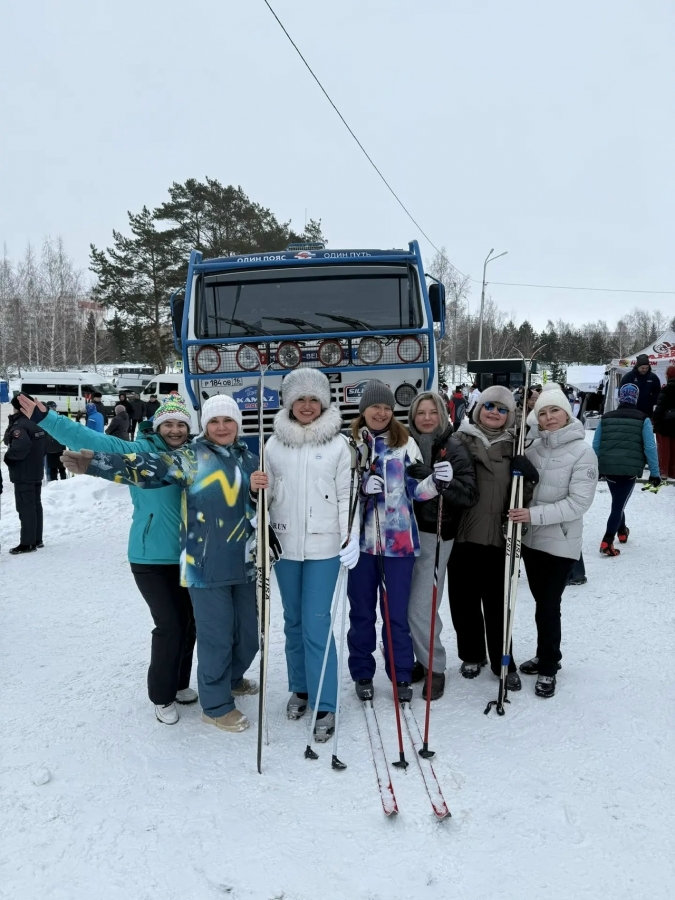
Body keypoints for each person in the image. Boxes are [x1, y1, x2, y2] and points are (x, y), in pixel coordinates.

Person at [59, 394, 267, 735]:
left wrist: (258, 493)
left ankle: (231, 678)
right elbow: (148, 469)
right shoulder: (191, 456)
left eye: (228, 420)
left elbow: (256, 507)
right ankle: (215, 706)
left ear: (237, 425)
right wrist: (95, 463)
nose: (221, 427)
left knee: (247, 636)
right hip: (205, 563)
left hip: (243, 559)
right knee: (215, 637)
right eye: (214, 421)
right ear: (205, 427)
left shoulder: (249, 458)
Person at [19, 392, 197, 726]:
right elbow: (92, 440)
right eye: (168, 424)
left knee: (190, 624)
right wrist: (48, 419)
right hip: (150, 557)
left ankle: (179, 683)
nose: (175, 430)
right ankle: (162, 695)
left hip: (189, 556)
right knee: (170, 625)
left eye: (180, 425)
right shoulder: (139, 451)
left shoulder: (194, 456)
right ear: (158, 427)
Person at [265, 369, 359, 741]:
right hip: (285, 546)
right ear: (289, 403)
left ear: (323, 403)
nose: (307, 406)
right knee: (293, 621)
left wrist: (349, 536)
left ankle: (325, 702)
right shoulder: (273, 445)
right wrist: (261, 513)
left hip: (324, 547)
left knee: (316, 622)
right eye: (300, 399)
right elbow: (267, 495)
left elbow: (346, 495)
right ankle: (301, 687)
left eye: (313, 399)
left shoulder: (339, 446)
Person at [347, 380, 438, 702]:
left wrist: (436, 483)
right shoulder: (350, 444)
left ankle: (401, 674)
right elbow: (339, 490)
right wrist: (361, 487)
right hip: (361, 545)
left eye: (387, 407)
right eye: (376, 406)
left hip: (399, 544)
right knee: (361, 613)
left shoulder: (405, 443)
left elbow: (416, 490)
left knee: (396, 614)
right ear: (364, 410)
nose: (382, 412)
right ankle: (362, 672)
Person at [510, 383, 598, 698]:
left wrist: (532, 515)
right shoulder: (532, 448)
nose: (549, 417)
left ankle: (549, 666)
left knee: (549, 605)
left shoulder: (583, 452)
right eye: (543, 412)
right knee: (541, 604)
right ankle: (544, 653)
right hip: (532, 541)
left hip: (560, 542)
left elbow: (579, 503)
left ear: (567, 412)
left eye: (555, 410)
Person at [449, 386, 535, 689]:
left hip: (500, 536)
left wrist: (528, 477)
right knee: (464, 601)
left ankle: (503, 660)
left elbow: (522, 496)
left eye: (501, 409)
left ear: (509, 415)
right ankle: (472, 654)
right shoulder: (459, 440)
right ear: (478, 408)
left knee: (499, 603)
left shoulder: (517, 445)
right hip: (463, 534)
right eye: (489, 406)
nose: (494, 412)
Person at [406, 392, 478, 700]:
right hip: (404, 534)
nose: (426, 418)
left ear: (442, 414)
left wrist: (439, 481)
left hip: (435, 533)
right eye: (420, 412)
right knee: (407, 604)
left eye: (432, 412)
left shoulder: (455, 446)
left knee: (422, 607)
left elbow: (469, 495)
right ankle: (421, 659)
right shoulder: (405, 442)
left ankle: (435, 667)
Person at [592, 383, 660, 556]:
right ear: (635, 398)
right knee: (618, 504)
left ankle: (622, 531)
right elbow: (650, 447)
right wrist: (654, 472)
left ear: (620, 398)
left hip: (608, 467)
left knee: (618, 501)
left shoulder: (606, 418)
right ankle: (607, 540)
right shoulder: (643, 419)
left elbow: (596, 444)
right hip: (629, 468)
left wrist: (595, 466)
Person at [2, 394, 46, 554]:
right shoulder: (37, 421)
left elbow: (21, 446)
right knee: (35, 504)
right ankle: (37, 539)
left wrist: (8, 458)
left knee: (26, 507)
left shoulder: (20, 425)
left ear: (16, 407)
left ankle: (28, 543)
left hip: (24, 472)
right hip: (36, 469)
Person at [652, 365, 675, 481]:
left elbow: (660, 408)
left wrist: (655, 420)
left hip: (665, 424)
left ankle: (664, 472)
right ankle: (673, 472)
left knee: (664, 449)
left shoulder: (666, 389)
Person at [43, 401, 67, 480]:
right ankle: (54, 483)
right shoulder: (46, 418)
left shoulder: (59, 417)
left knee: (61, 468)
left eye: (55, 406)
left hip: (58, 447)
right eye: (52, 407)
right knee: (53, 468)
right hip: (51, 448)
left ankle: (63, 482)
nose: (54, 408)